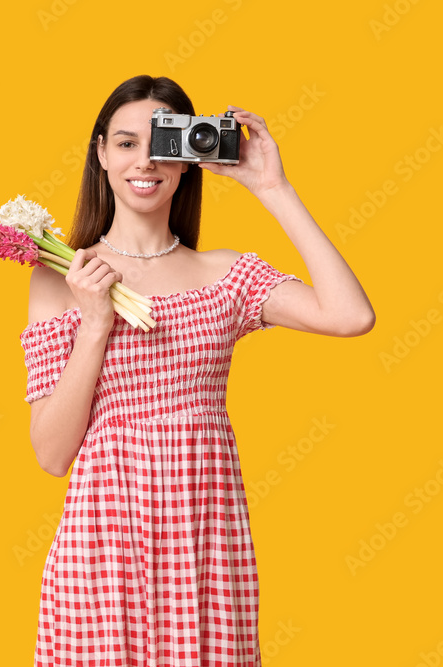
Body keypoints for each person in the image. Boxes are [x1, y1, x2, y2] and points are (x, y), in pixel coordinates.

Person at [20, 75, 374, 666]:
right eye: (126, 143)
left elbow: (350, 316)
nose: (144, 162)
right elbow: (52, 455)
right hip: (102, 551)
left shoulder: (226, 275)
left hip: (204, 549)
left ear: (186, 159)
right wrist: (95, 323)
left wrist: (274, 187)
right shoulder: (63, 274)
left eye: (161, 143)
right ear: (101, 152)